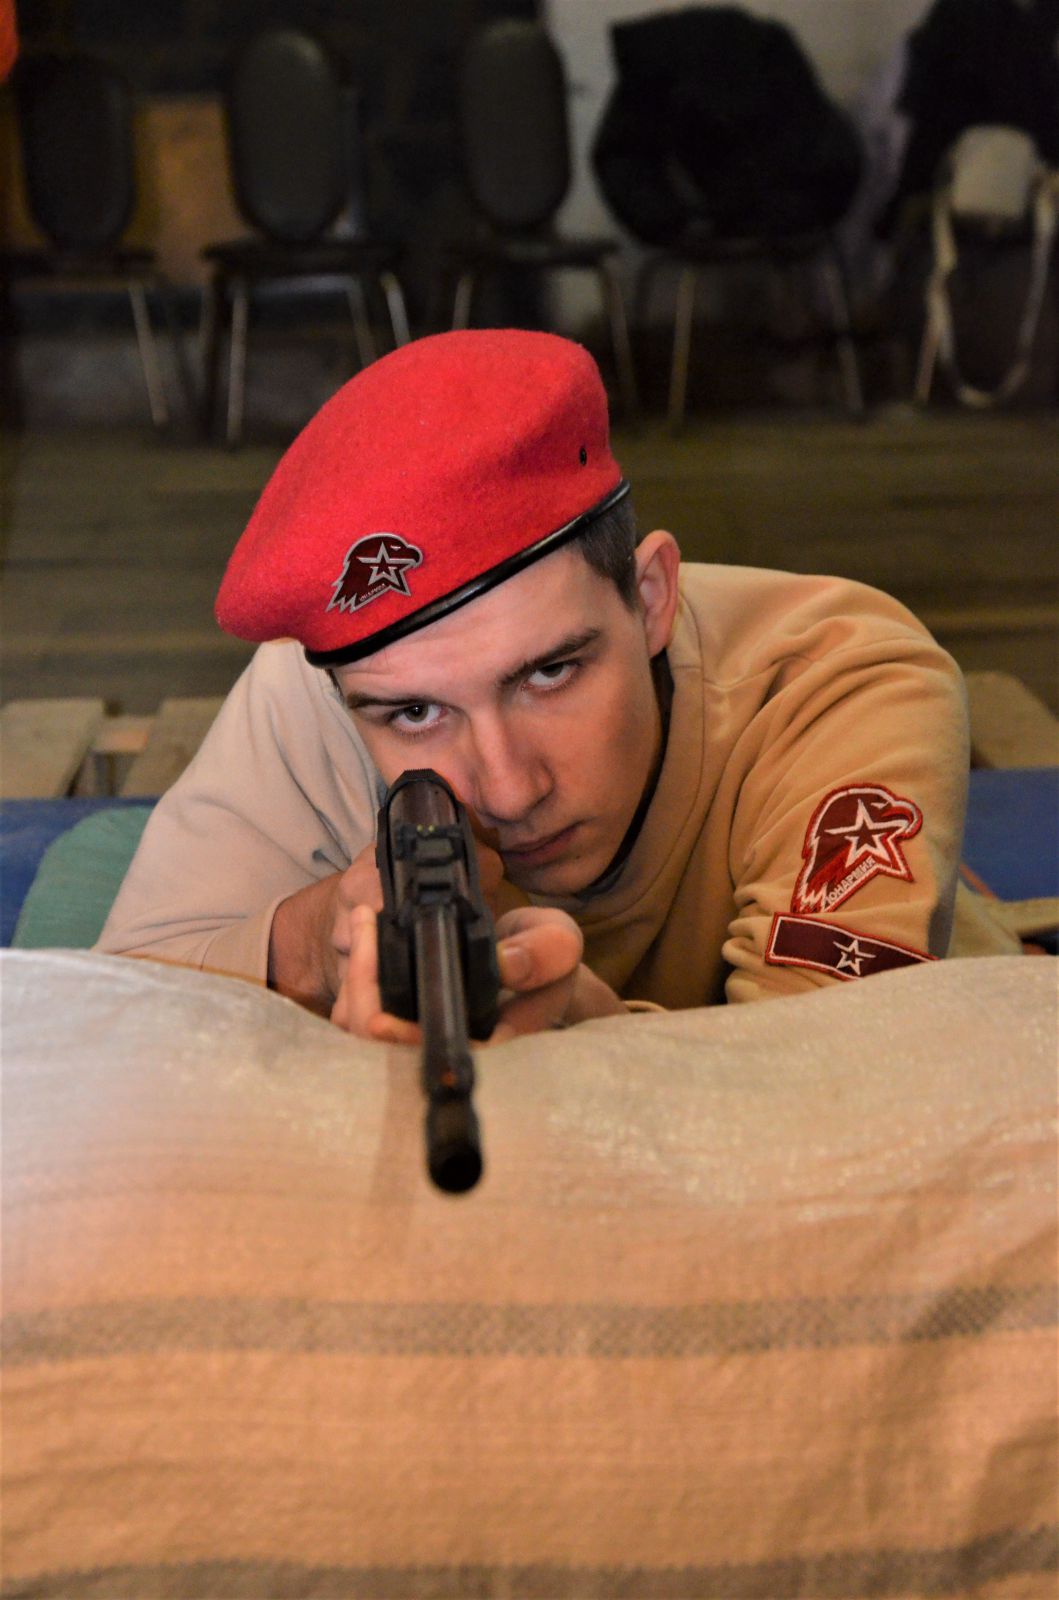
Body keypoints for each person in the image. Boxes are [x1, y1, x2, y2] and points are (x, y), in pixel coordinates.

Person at [98, 329, 970, 1040]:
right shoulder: (325, 683)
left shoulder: (834, 685)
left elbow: (839, 1092)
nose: (509, 791)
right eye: (416, 713)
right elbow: (110, 1010)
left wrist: (584, 1046)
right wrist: (313, 945)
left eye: (550, 673)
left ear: (650, 598)